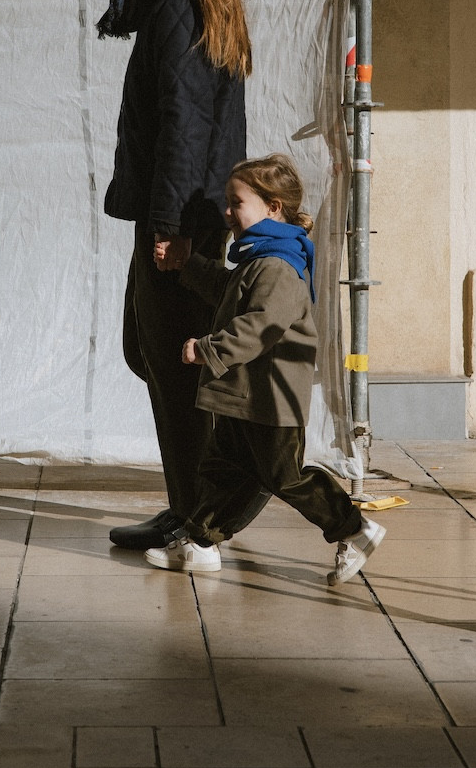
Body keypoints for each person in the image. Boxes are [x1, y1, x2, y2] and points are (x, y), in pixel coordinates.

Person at [97, 0, 267, 549]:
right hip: (191, 202)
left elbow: (183, 122)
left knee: (172, 359)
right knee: (158, 353)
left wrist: (168, 229)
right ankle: (197, 497)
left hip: (181, 209)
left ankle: (210, 505)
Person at [142, 153, 385, 587]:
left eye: (237, 203)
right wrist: (188, 265)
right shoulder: (258, 259)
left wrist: (207, 349)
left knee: (286, 477)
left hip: (269, 401)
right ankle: (200, 544)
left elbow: (260, 325)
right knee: (221, 471)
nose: (228, 212)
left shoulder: (278, 265)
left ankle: (354, 528)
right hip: (245, 398)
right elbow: (228, 291)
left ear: (273, 208)